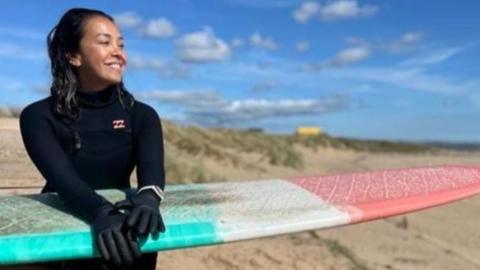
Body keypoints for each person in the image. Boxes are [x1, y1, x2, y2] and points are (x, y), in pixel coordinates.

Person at [19, 7, 166, 270]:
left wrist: (148, 200)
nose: (118, 53)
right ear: (73, 55)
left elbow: (152, 171)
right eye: (104, 42)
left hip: (123, 223)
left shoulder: (142, 115)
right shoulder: (38, 116)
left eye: (121, 44)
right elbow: (62, 179)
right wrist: (100, 212)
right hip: (61, 226)